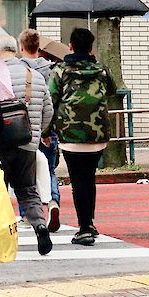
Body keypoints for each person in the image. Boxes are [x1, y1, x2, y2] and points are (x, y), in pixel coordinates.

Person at [48, 28, 113, 246]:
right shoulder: (101, 70)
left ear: (70, 46)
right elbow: (113, 90)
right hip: (98, 135)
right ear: (91, 47)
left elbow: (51, 101)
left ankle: (84, 227)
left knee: (78, 181)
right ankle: (89, 222)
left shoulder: (60, 71)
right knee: (90, 177)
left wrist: (47, 131)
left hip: (70, 134)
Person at [0, 36, 54, 255]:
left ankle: (4, 235)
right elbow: (49, 111)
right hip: (28, 144)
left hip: (0, 145)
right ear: (15, 50)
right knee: (28, 190)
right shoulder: (34, 76)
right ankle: (40, 225)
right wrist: (36, 133)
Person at [20, 28, 62, 229]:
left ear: (22, 47)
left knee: (26, 174)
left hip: (23, 131)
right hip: (46, 129)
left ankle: (28, 214)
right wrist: (46, 131)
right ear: (39, 47)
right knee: (50, 170)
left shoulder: (19, 70)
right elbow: (51, 105)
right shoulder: (51, 70)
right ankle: (53, 202)